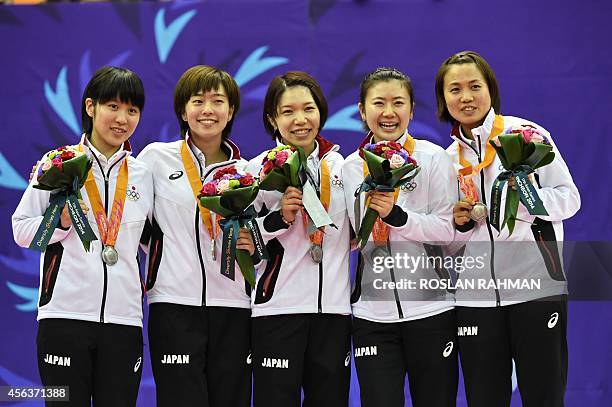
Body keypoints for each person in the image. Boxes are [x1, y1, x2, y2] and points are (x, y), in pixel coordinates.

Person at [437, 50, 581, 407]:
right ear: (443, 98)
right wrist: (458, 224)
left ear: (491, 90)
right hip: (475, 298)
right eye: (454, 89)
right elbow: (449, 244)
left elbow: (570, 199)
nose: (466, 97)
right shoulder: (447, 159)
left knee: (544, 396)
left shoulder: (526, 135)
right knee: (483, 398)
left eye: (474, 86)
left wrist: (527, 198)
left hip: (535, 288)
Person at [12, 66, 152, 406]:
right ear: (91, 107)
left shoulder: (144, 175)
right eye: (113, 107)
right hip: (64, 318)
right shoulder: (58, 164)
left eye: (132, 110)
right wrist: (58, 222)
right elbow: (21, 230)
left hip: (124, 321)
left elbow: (157, 238)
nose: (122, 118)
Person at [137, 65, 254, 407]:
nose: (208, 110)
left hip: (233, 307)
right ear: (183, 110)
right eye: (198, 100)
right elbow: (133, 219)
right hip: (173, 306)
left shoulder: (248, 172)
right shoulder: (155, 159)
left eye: (218, 101)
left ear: (230, 110)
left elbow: (258, 240)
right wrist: (164, 257)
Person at [342, 67, 457, 407]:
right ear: (363, 111)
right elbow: (348, 235)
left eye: (398, 103)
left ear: (411, 109)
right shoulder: (349, 168)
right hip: (372, 318)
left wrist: (398, 217)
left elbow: (448, 230)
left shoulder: (432, 158)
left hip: (432, 312)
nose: (388, 112)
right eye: (378, 103)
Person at [246, 71, 351, 407]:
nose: (300, 119)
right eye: (288, 111)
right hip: (278, 312)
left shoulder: (344, 168)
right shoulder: (255, 172)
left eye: (308, 109)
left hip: (333, 313)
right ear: (272, 120)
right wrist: (278, 219)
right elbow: (234, 242)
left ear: (320, 112)